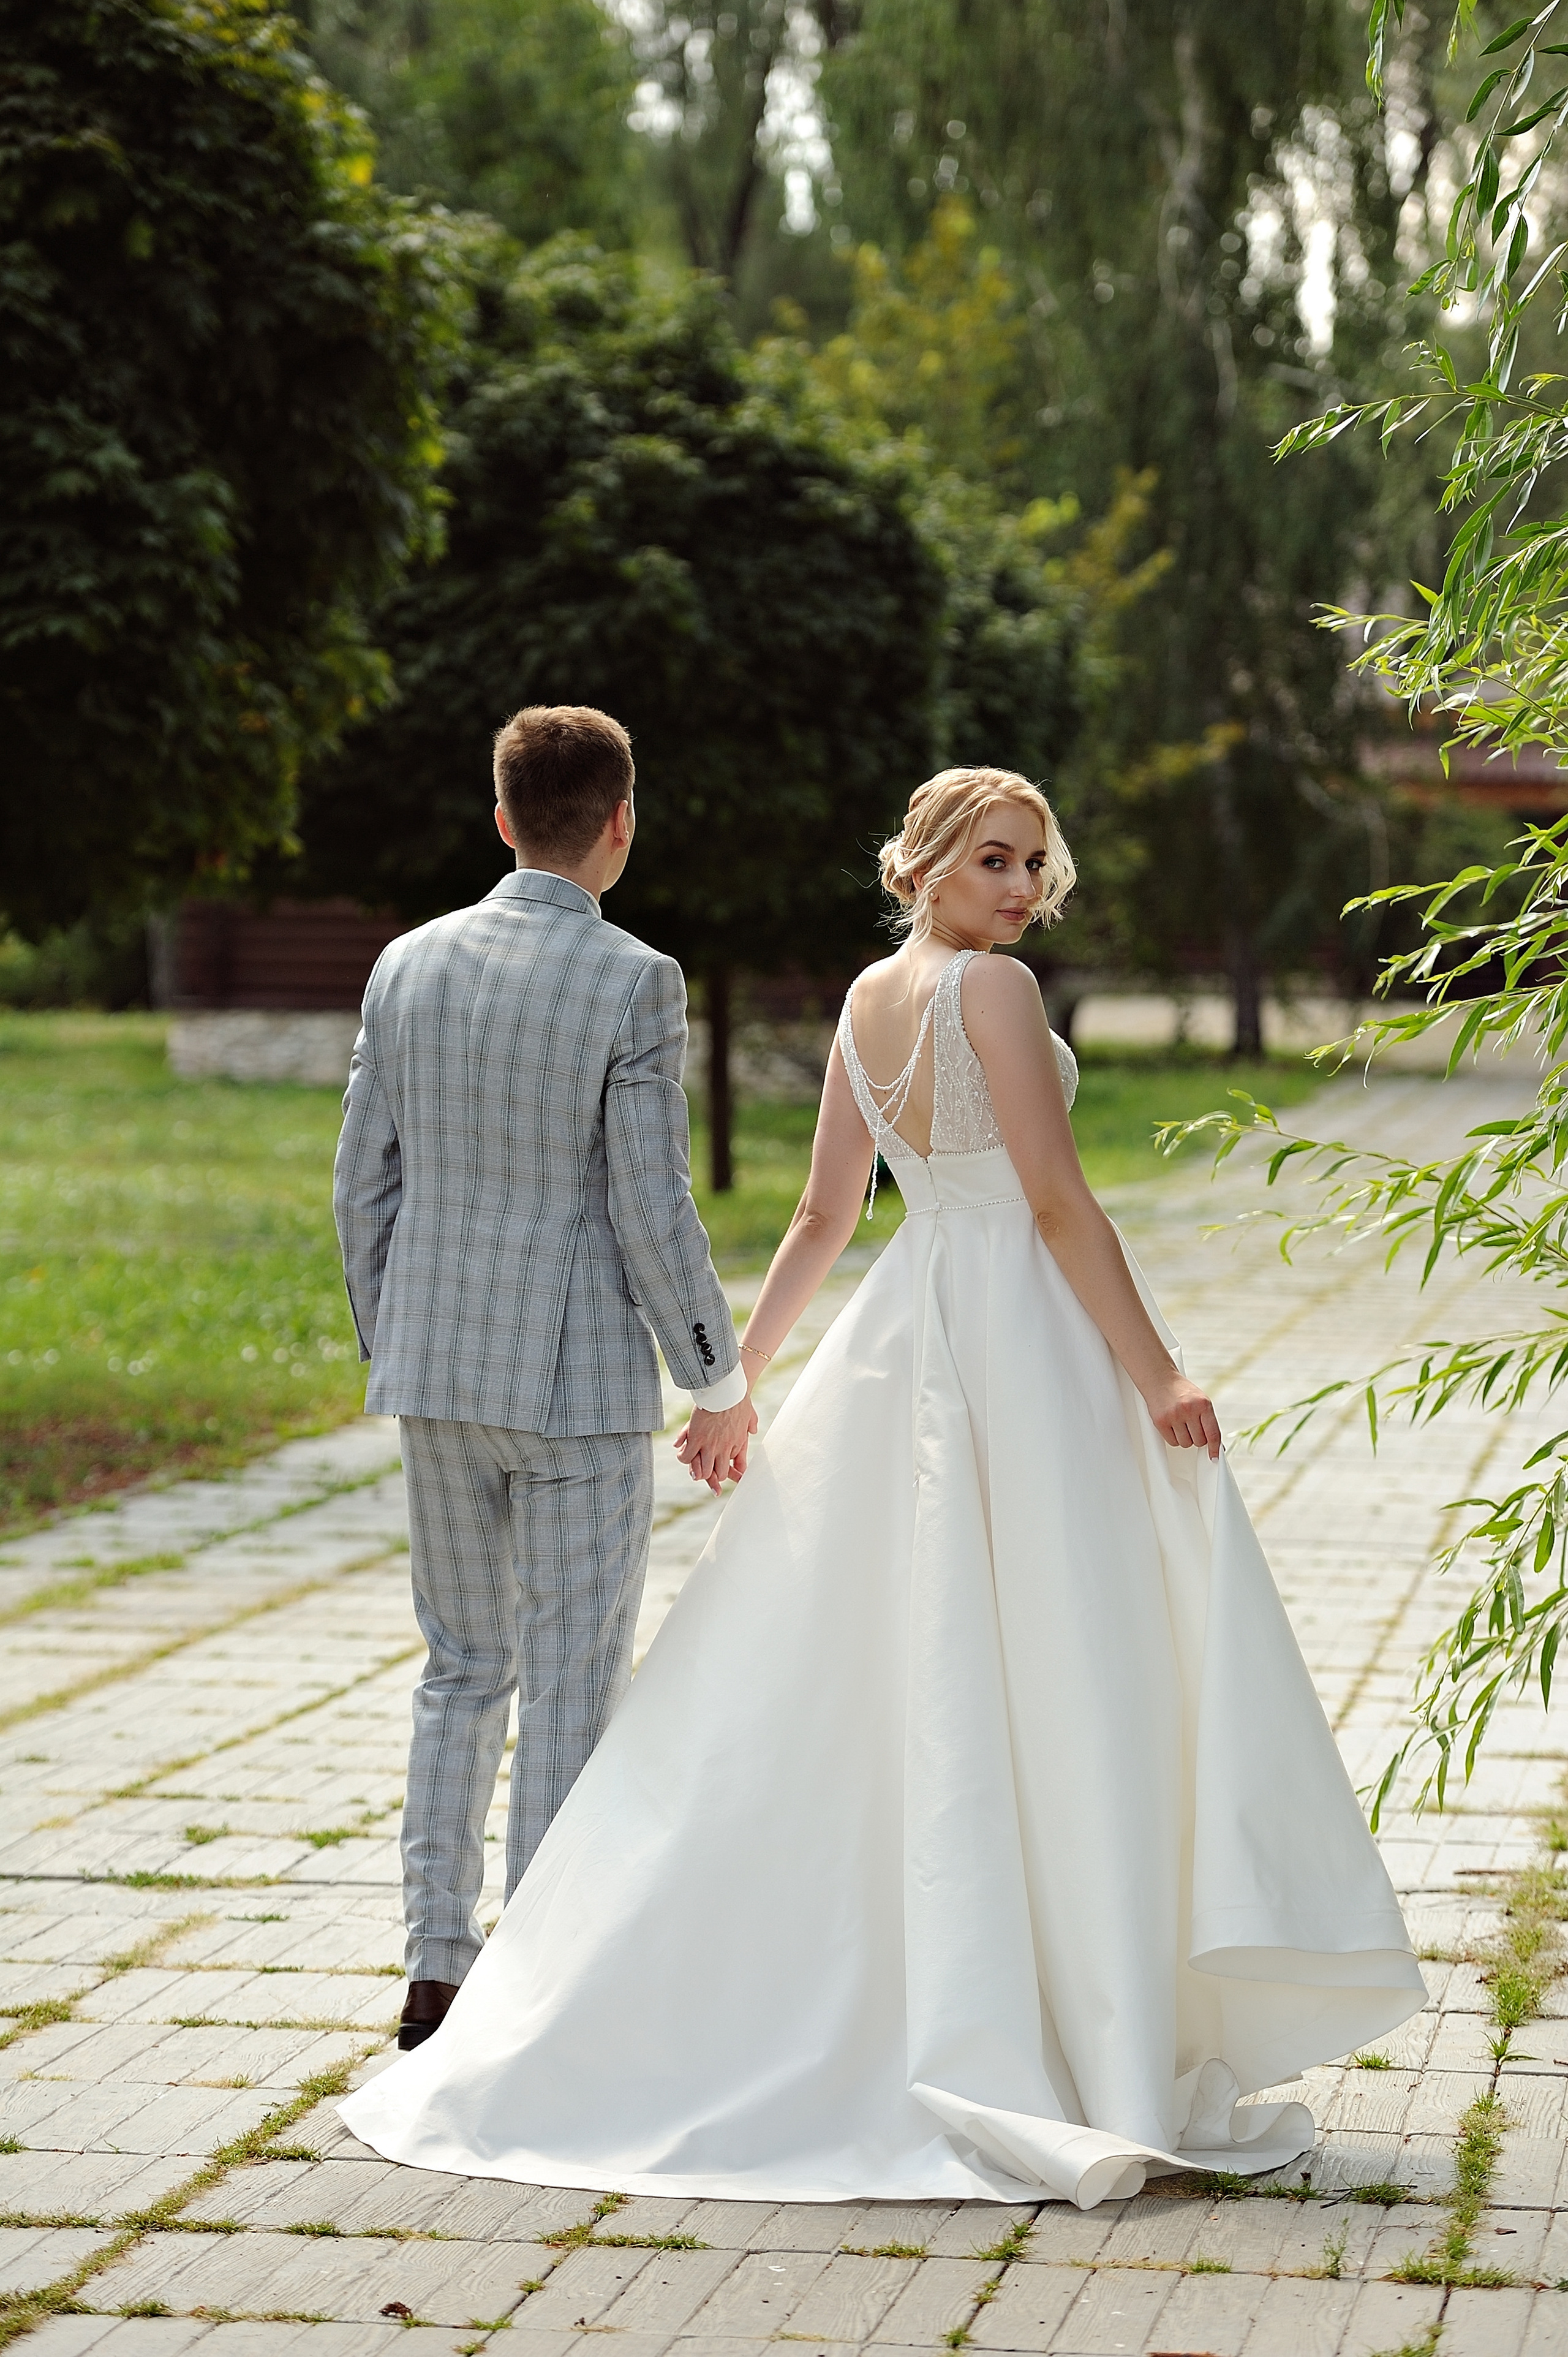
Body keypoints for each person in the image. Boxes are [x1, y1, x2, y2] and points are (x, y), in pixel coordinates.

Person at [341, 765, 1426, 2208]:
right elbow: (1049, 1201)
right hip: (1014, 1329)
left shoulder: (866, 999)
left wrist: (737, 1383)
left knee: (914, 1659)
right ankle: (1057, 2013)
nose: (1020, 889)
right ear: (921, 864)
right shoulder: (995, 995)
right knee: (1053, 1651)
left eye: (1035, 863)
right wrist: (1158, 1372)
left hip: (913, 1323)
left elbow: (827, 1216)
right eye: (992, 860)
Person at [333, 704, 757, 2055]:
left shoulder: (405, 965)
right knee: (572, 1680)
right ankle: (548, 1979)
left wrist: (392, 1337)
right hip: (573, 1389)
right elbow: (651, 1202)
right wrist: (715, 1374)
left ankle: (434, 1967)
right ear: (619, 822)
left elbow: (363, 1185)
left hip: (435, 1371)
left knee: (459, 1668)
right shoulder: (633, 979)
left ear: (503, 816)